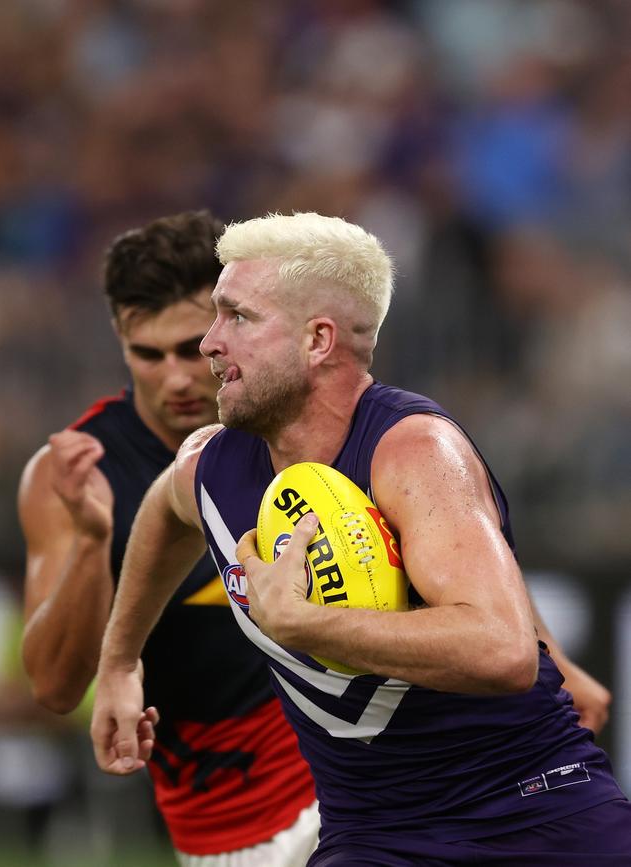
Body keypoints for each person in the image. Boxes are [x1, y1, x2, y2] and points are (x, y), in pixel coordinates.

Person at [90, 212, 630, 866]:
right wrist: (120, 662)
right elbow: (163, 515)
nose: (208, 342)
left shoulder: (415, 451)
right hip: (370, 832)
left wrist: (307, 622)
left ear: (318, 339)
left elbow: (503, 650)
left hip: (528, 813)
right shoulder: (211, 465)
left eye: (237, 317)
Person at [18, 211, 318, 867]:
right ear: (120, 340)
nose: (177, 378)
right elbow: (56, 686)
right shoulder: (73, 474)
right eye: (147, 355)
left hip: (345, 779)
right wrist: (96, 542)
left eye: (192, 348)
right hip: (226, 826)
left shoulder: (300, 419)